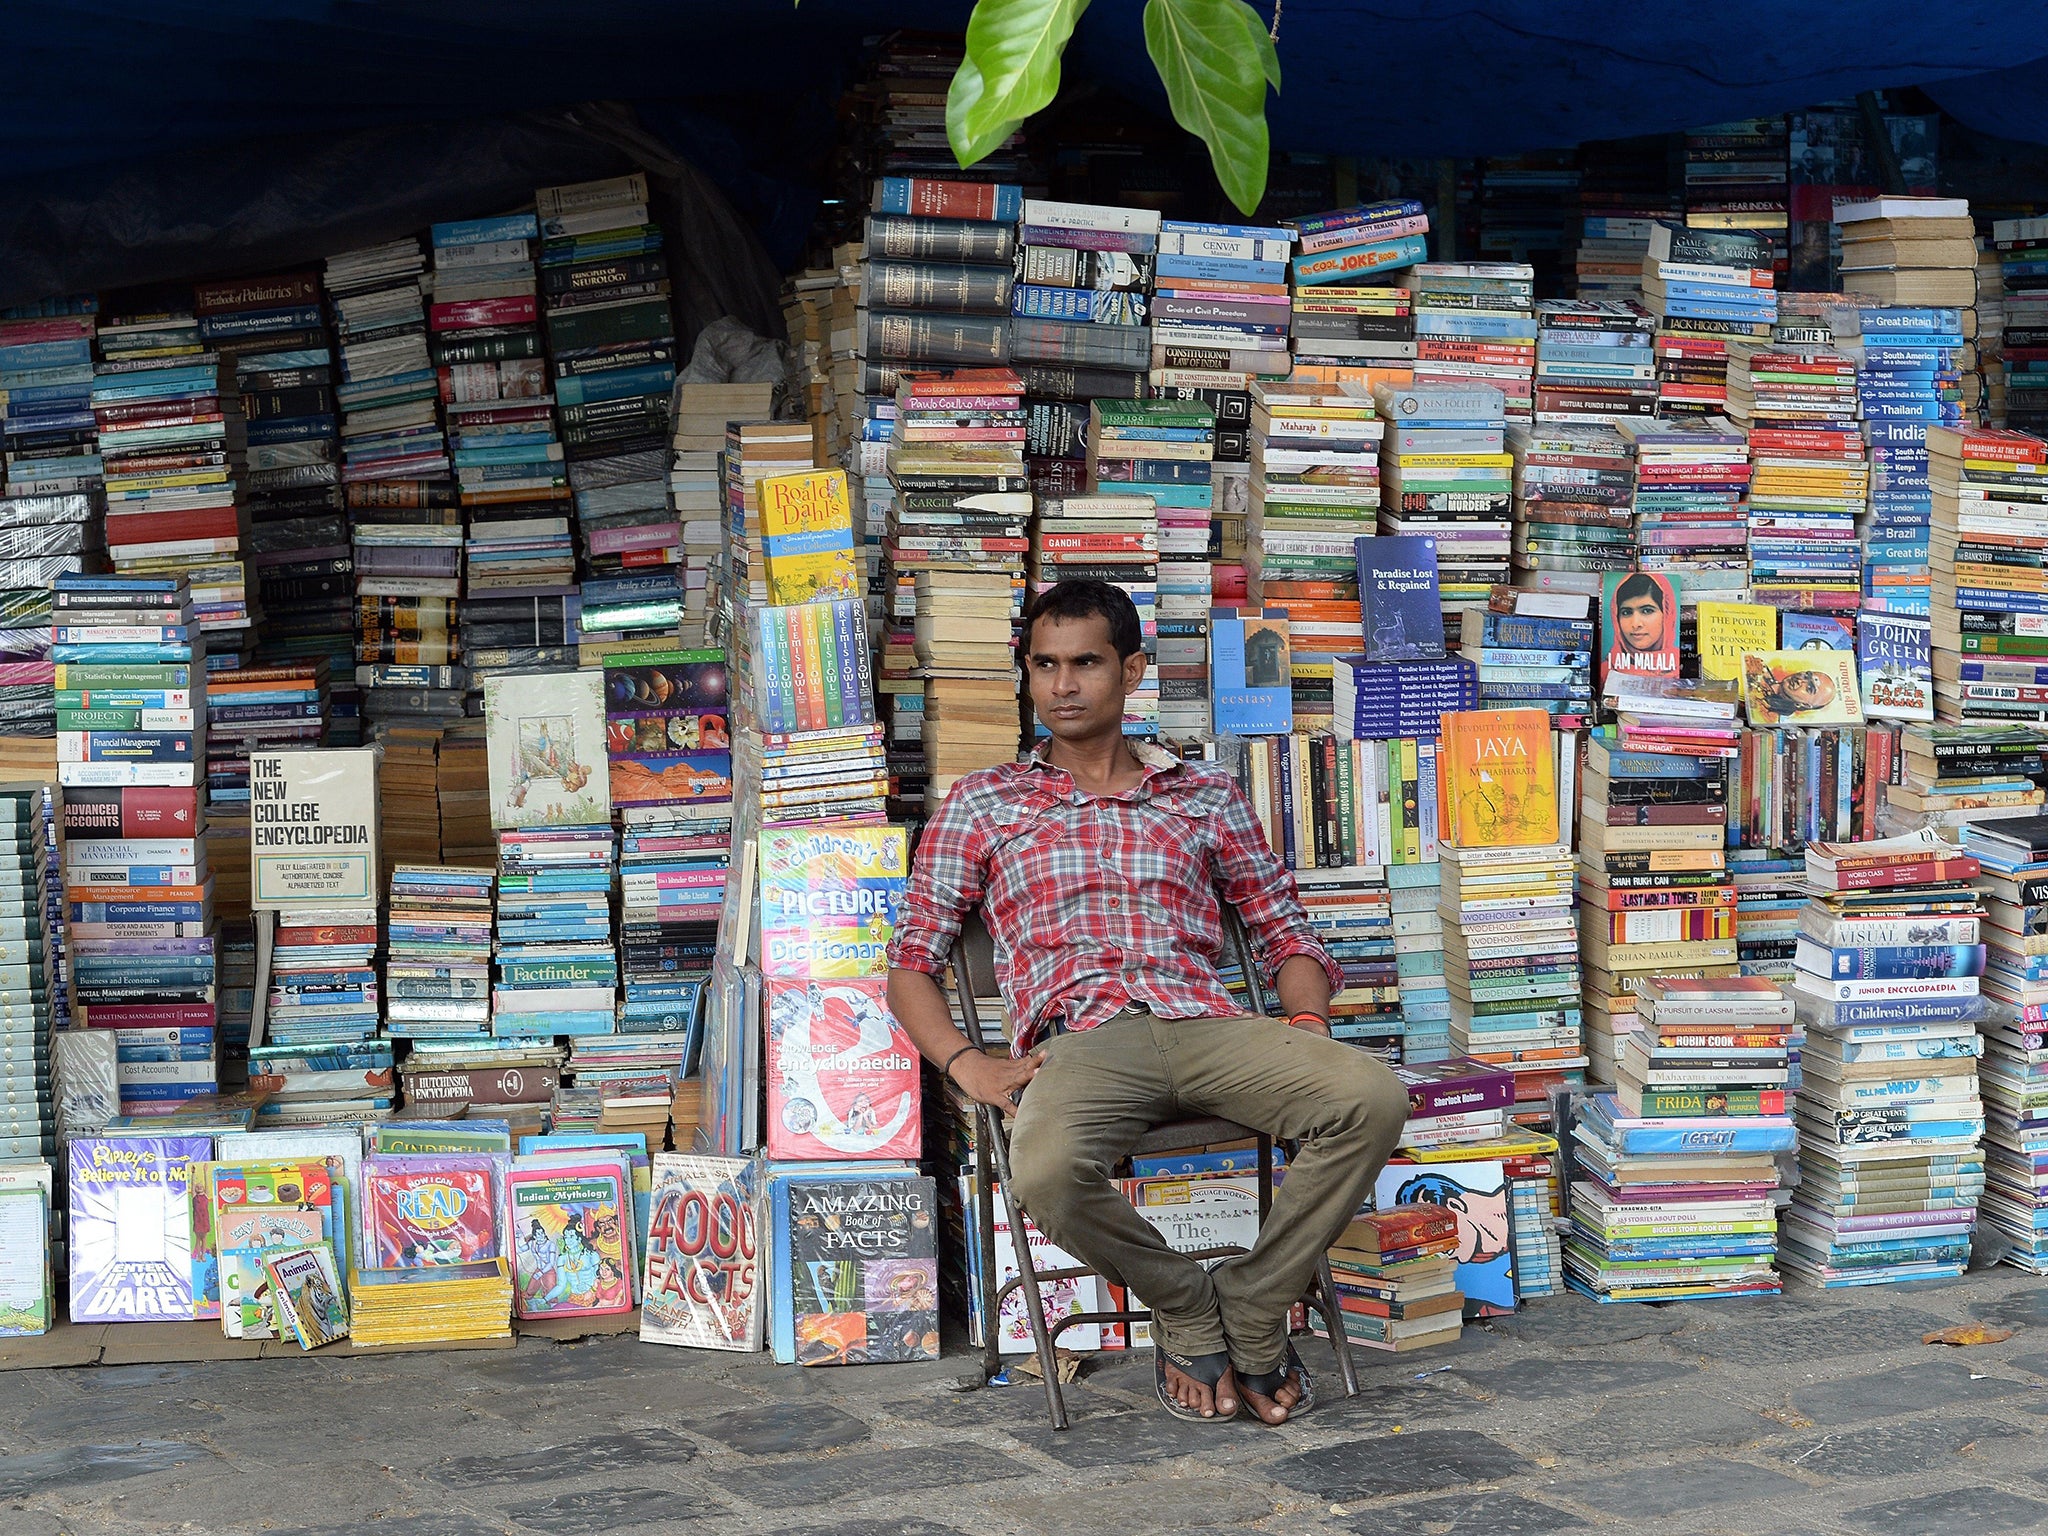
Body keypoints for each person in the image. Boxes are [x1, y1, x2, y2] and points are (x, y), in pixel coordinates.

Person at [886, 579, 1410, 1426]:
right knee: (1046, 1170)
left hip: (1208, 1025)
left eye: (1086, 663)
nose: (1063, 685)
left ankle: (1251, 1298)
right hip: (1080, 1041)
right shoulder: (983, 804)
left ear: (1131, 671)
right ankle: (1185, 1301)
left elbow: (1286, 934)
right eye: (1045, 665)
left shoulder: (1205, 796)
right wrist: (964, 1061)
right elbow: (911, 962)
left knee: (1370, 1096)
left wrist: (1306, 1025)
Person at [1605, 571, 1674, 676]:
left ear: (1667, 614)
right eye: (1626, 612)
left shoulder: (1681, 669)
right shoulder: (1605, 673)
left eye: (1647, 611)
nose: (1636, 624)